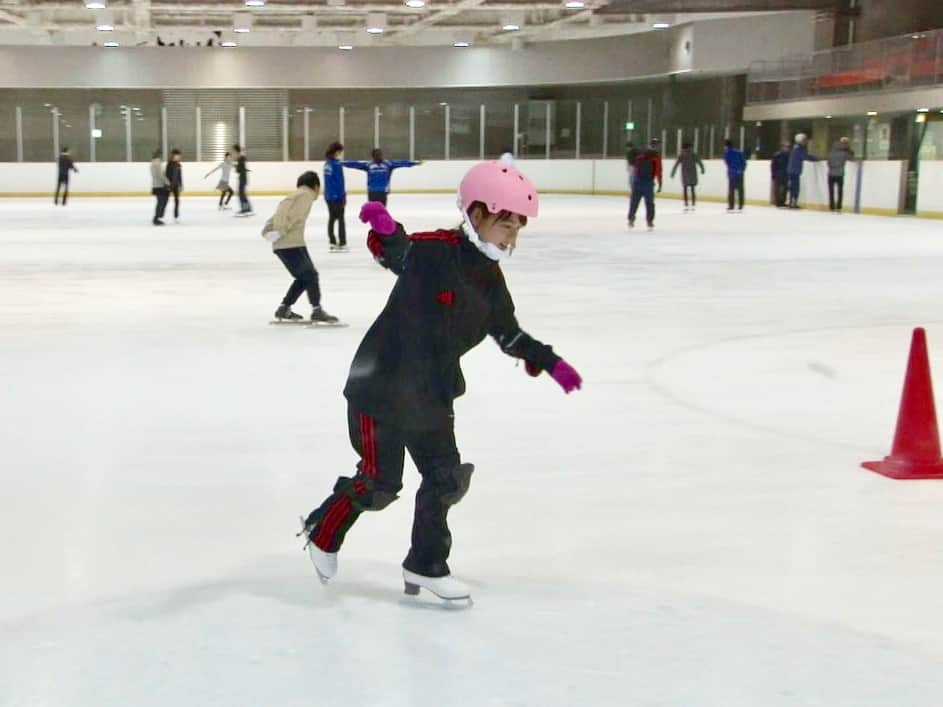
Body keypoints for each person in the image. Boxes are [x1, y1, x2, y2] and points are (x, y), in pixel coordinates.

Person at [298, 161, 583, 603]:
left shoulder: (490, 279)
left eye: (518, 225)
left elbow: (506, 332)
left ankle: (426, 563)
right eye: (504, 221)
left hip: (431, 394)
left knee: (446, 479)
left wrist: (548, 362)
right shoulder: (436, 250)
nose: (512, 233)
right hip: (382, 387)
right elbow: (400, 252)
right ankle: (323, 529)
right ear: (476, 214)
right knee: (379, 483)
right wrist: (385, 227)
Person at [261, 171, 339, 325]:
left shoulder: (295, 195)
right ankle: (317, 310)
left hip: (290, 242)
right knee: (310, 275)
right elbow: (291, 216)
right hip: (289, 243)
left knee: (304, 277)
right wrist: (280, 231)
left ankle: (284, 308)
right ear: (316, 186)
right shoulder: (305, 195)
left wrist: (268, 231)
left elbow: (279, 212)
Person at [342, 148, 421, 206]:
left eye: (379, 155)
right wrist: (342, 163)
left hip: (381, 191)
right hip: (373, 191)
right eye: (377, 155)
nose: (379, 157)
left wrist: (414, 163)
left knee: (381, 211)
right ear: (373, 156)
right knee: (375, 211)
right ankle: (375, 227)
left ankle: (380, 227)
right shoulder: (369, 165)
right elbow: (355, 164)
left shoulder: (388, 164)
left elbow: (402, 163)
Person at [627, 138, 662, 230]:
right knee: (650, 203)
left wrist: (633, 183)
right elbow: (658, 171)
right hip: (648, 184)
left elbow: (636, 169)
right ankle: (649, 221)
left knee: (634, 202)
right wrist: (660, 184)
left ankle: (631, 219)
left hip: (638, 182)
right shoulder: (656, 157)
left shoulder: (641, 155)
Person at [323, 141, 348, 251]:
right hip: (337, 196)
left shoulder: (326, 164)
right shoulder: (337, 164)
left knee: (332, 218)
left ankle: (332, 241)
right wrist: (343, 196)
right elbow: (340, 182)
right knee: (341, 219)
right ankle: (342, 242)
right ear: (337, 151)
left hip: (328, 196)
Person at [787, 133, 819, 209]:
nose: (806, 142)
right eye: (804, 140)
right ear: (800, 141)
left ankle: (792, 202)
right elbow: (805, 156)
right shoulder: (799, 149)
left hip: (793, 170)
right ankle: (792, 203)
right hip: (794, 171)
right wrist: (815, 159)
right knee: (795, 187)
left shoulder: (796, 148)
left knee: (794, 187)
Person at [670, 142, 705, 211]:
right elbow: (699, 162)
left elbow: (676, 164)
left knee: (685, 189)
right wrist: (702, 168)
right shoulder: (693, 154)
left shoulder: (682, 155)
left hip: (685, 174)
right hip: (692, 174)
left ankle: (686, 204)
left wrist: (673, 173)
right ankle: (693, 203)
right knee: (692, 189)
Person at [827, 137, 854, 213]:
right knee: (840, 191)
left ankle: (831, 206)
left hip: (830, 173)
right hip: (840, 174)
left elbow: (828, 162)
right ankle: (839, 207)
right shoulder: (844, 153)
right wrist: (849, 150)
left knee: (831, 191)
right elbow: (851, 157)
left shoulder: (831, 151)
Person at [723, 139, 747, 212]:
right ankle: (741, 205)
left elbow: (727, 163)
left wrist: (732, 170)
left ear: (726, 146)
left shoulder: (727, 153)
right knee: (740, 190)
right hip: (740, 173)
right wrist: (741, 170)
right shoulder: (739, 152)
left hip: (732, 174)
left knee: (731, 190)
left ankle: (731, 205)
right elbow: (744, 163)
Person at [150, 149, 170, 226]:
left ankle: (158, 217)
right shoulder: (157, 163)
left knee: (160, 202)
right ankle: (156, 218)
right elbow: (161, 175)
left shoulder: (152, 163)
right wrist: (167, 183)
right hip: (160, 186)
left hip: (156, 185)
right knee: (161, 202)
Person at [233, 144, 253, 216]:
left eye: (233, 151)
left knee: (241, 194)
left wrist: (236, 167)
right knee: (243, 194)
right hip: (243, 178)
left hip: (242, 178)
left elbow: (239, 169)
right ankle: (248, 208)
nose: (233, 153)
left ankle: (244, 209)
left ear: (236, 150)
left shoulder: (240, 158)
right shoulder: (241, 157)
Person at [165, 148, 184, 223]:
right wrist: (167, 185)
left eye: (179, 156)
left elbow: (180, 176)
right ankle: (160, 215)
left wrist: (181, 185)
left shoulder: (179, 164)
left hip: (176, 185)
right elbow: (166, 175)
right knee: (165, 201)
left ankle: (176, 216)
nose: (179, 157)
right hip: (169, 185)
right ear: (173, 155)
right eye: (177, 155)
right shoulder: (169, 164)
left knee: (177, 201)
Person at [770, 142, 791, 208]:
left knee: (785, 188)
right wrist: (773, 174)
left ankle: (782, 201)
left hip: (786, 173)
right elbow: (773, 165)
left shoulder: (789, 155)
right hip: (778, 173)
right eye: (785, 147)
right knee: (777, 188)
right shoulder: (777, 155)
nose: (786, 148)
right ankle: (777, 202)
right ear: (782, 147)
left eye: (788, 147)